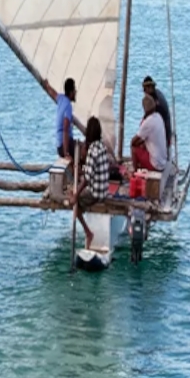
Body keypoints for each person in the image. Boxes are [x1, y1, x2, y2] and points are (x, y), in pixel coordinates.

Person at [72, 116, 109, 249]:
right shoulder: (102, 146)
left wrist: (76, 194)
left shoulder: (92, 152)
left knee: (73, 203)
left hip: (96, 193)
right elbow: (91, 172)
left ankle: (88, 233)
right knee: (77, 194)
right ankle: (89, 231)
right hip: (105, 190)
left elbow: (87, 179)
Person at [42, 76, 78, 161]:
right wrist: (66, 154)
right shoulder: (68, 106)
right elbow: (65, 128)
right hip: (64, 146)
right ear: (71, 92)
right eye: (74, 90)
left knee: (79, 144)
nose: (76, 92)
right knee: (83, 150)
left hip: (59, 145)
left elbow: (53, 93)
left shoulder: (61, 98)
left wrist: (47, 86)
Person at [130, 95, 168, 172]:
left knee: (134, 148)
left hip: (156, 165)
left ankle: (135, 171)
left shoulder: (148, 122)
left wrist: (138, 143)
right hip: (163, 161)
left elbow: (133, 141)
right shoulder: (158, 116)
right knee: (143, 145)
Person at [142, 75, 172, 152]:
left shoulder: (156, 104)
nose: (144, 92)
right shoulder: (157, 94)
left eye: (145, 89)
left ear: (149, 88)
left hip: (163, 138)